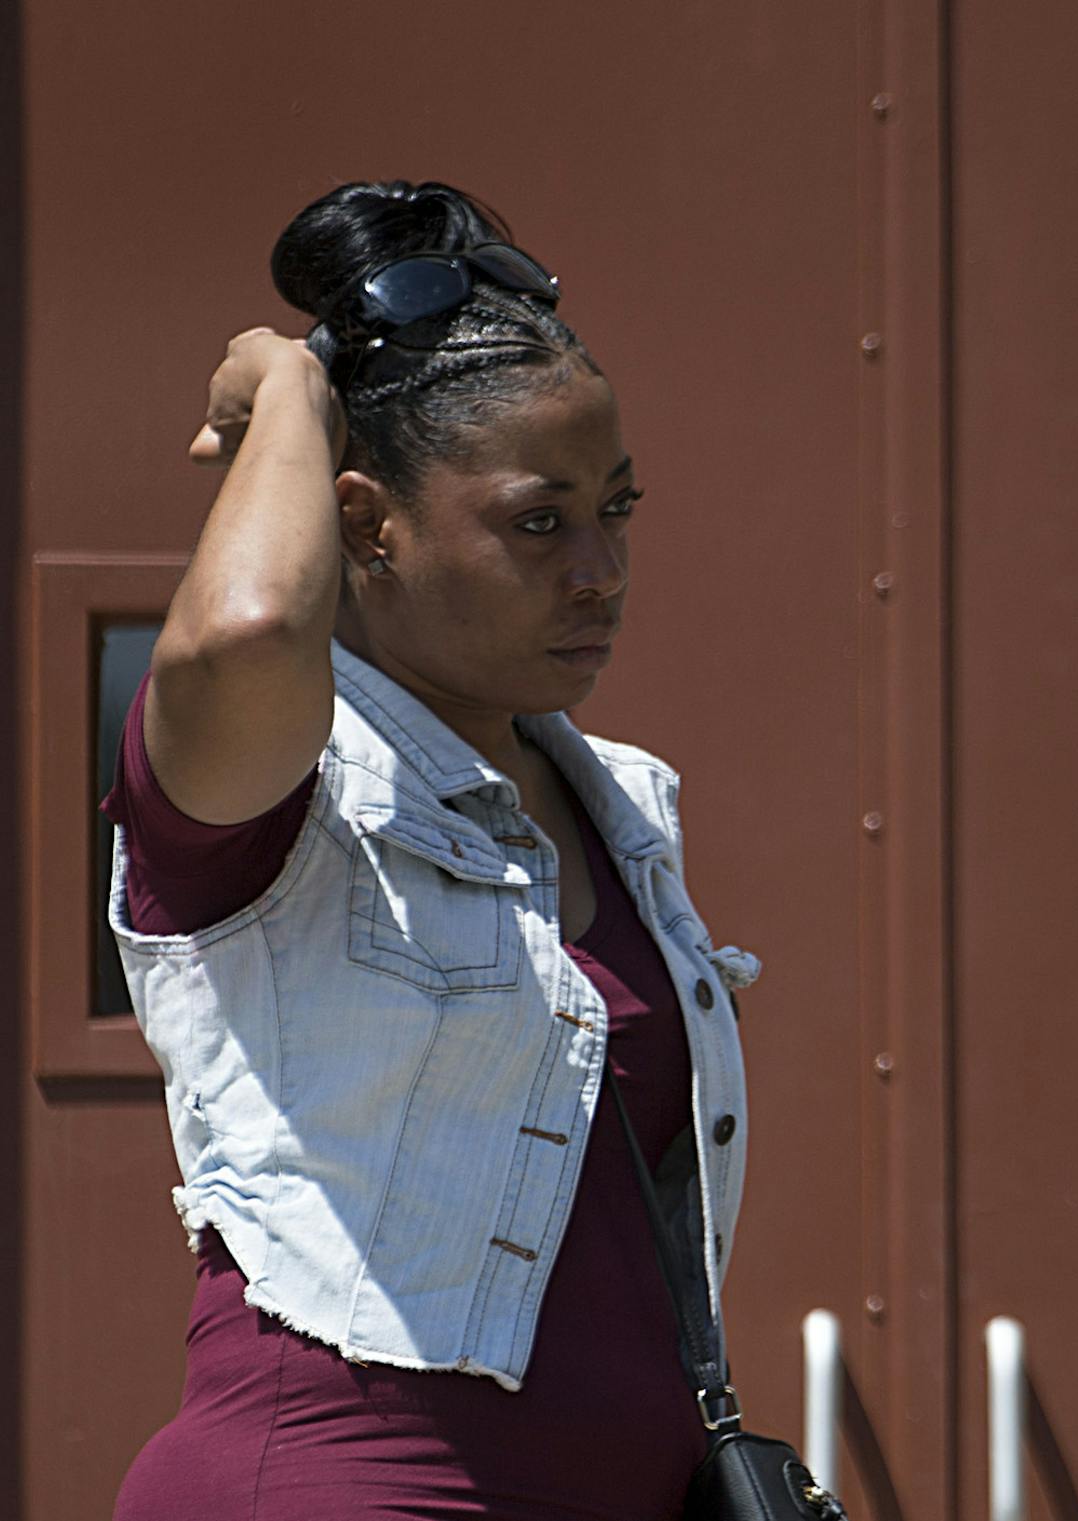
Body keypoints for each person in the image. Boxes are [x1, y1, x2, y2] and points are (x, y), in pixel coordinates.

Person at [107, 181, 753, 1518]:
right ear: (363, 525)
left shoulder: (618, 807)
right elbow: (239, 632)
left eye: (615, 510)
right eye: (539, 520)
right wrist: (288, 388)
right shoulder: (289, 787)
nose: (601, 569)